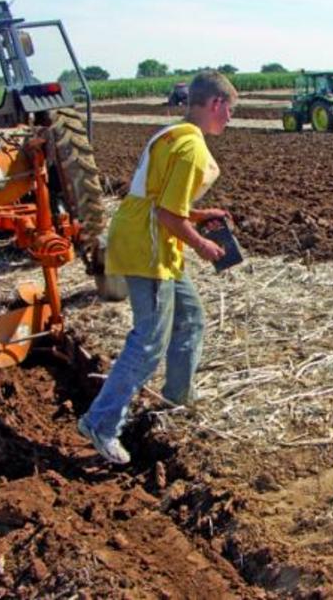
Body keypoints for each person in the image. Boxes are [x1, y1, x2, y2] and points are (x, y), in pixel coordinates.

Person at [78, 70, 237, 464]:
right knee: (149, 341)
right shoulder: (191, 149)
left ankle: (177, 399)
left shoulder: (170, 133)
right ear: (215, 104)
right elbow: (167, 214)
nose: (230, 119)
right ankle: (100, 423)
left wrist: (197, 216)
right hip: (147, 246)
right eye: (229, 110)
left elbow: (159, 200)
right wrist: (201, 244)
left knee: (192, 318)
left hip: (147, 237)